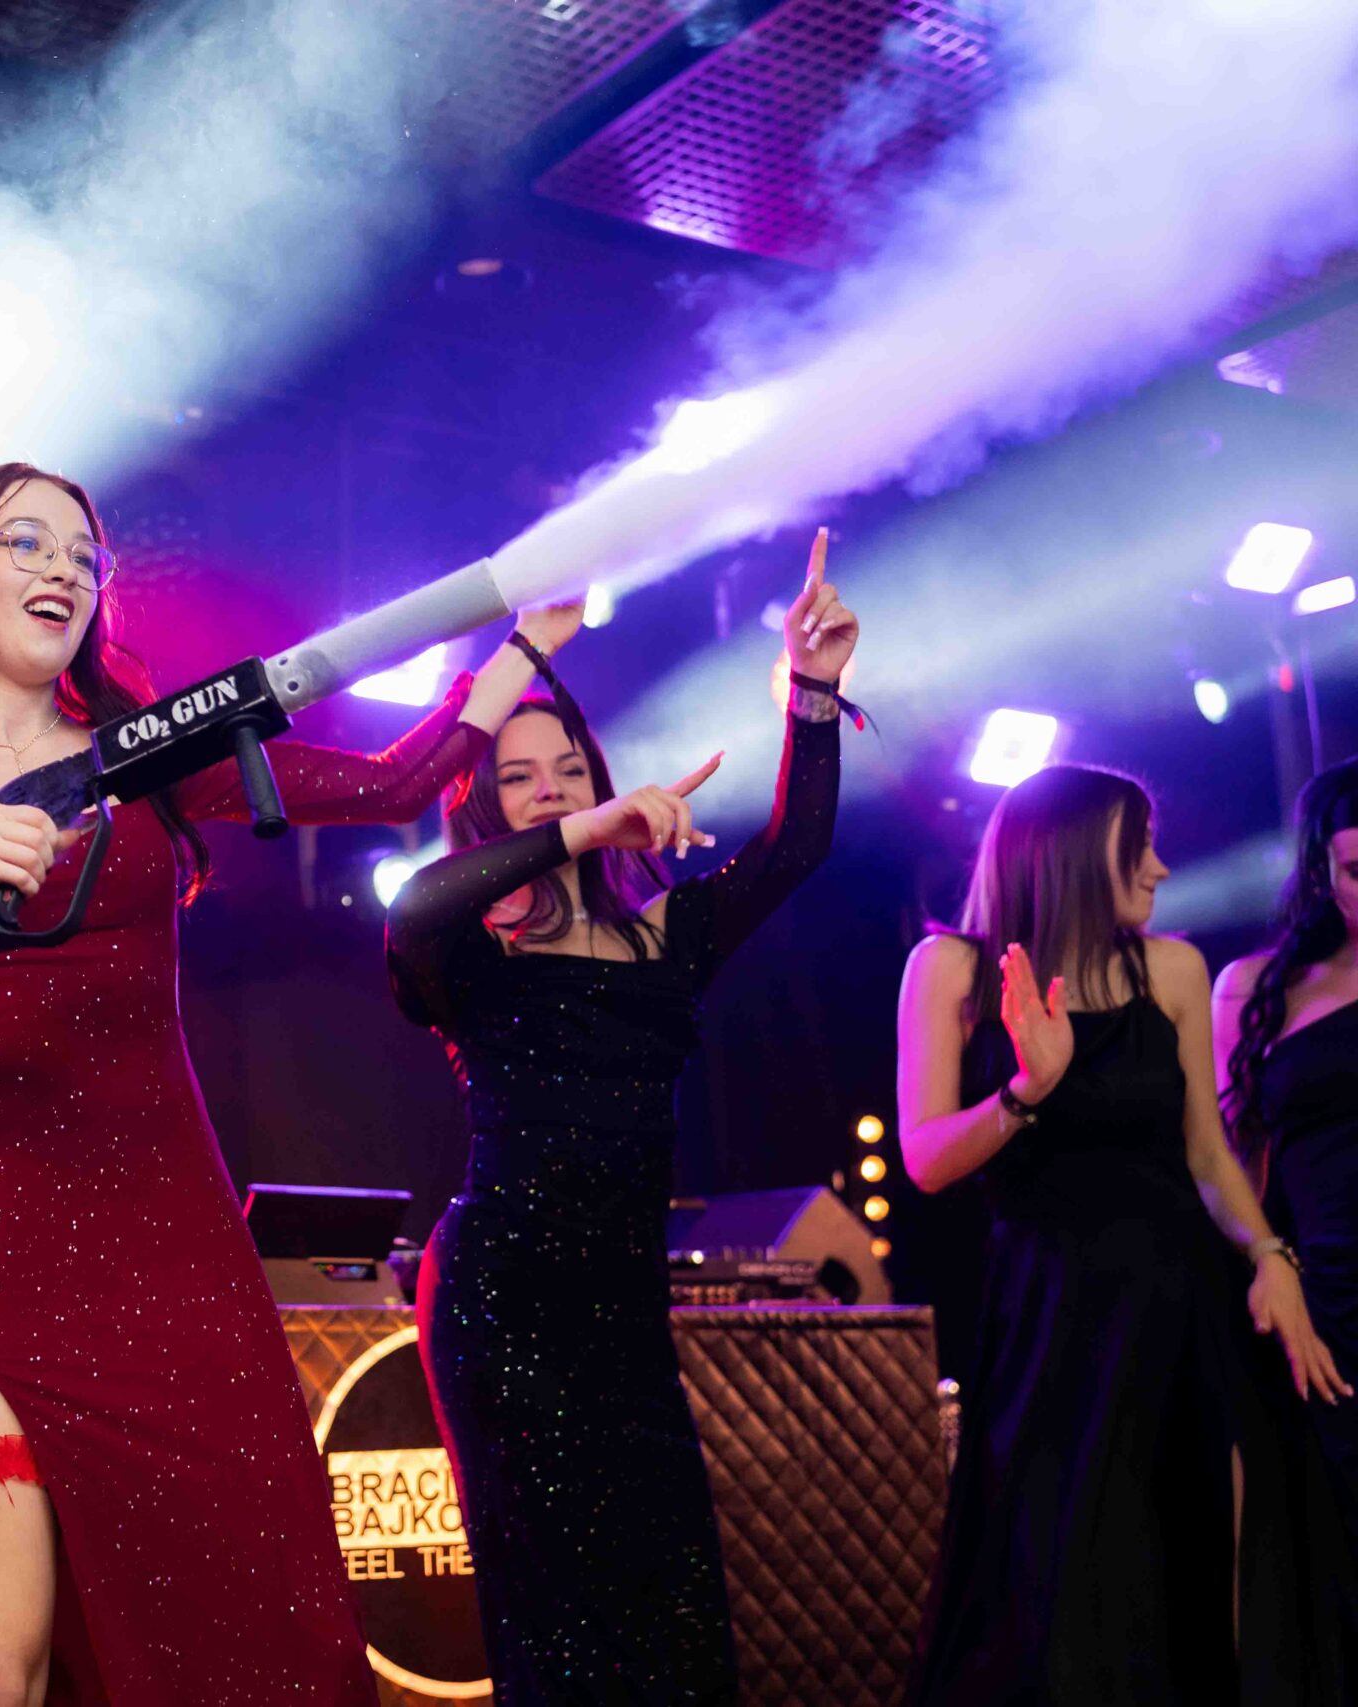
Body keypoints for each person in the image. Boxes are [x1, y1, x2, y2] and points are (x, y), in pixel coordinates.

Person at [0, 461, 534, 1707]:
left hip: (167, 1232)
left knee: (249, 1632)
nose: (63, 569)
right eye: (27, 542)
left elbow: (390, 785)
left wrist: (526, 643)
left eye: (84, 555)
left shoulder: (139, 754)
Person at [384, 533, 854, 1702]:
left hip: (624, 1314)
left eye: (568, 772)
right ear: (489, 806)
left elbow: (795, 848)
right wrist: (583, 836)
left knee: (673, 1609)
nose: (550, 788)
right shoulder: (471, 951)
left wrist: (810, 690)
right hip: (503, 1303)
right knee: (555, 1622)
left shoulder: (666, 935)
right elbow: (412, 910)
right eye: (518, 777)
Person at [896, 762, 1347, 1703]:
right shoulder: (953, 967)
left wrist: (1269, 1254)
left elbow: (1209, 1154)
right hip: (1051, 1319)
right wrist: (1027, 1090)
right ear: (1070, 853)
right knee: (1053, 1589)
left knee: (1186, 1576)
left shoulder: (1171, 968)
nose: (1161, 868)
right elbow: (928, 1156)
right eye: (1140, 846)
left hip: (1181, 1311)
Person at [1217, 756, 1358, 1537]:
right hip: (1325, 1301)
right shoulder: (1256, 988)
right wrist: (1269, 1263)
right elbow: (1227, 1159)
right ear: (1320, 873)